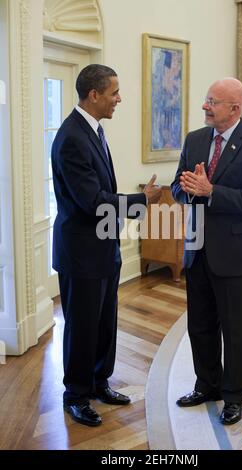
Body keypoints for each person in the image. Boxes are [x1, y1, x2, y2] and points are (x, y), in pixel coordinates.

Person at [51, 64, 161, 427]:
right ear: (94, 95)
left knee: (104, 322)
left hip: (103, 247)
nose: (119, 99)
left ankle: (99, 383)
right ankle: (76, 396)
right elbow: (92, 201)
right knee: (81, 327)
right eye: (114, 92)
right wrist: (141, 200)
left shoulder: (93, 130)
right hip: (80, 252)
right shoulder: (70, 137)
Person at [171, 77, 242, 425]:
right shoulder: (195, 139)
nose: (205, 106)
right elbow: (176, 187)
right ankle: (207, 385)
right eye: (206, 99)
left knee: (234, 329)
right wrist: (188, 189)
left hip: (235, 255)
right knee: (200, 326)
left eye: (212, 101)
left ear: (234, 108)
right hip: (197, 249)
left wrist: (210, 189)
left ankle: (233, 396)